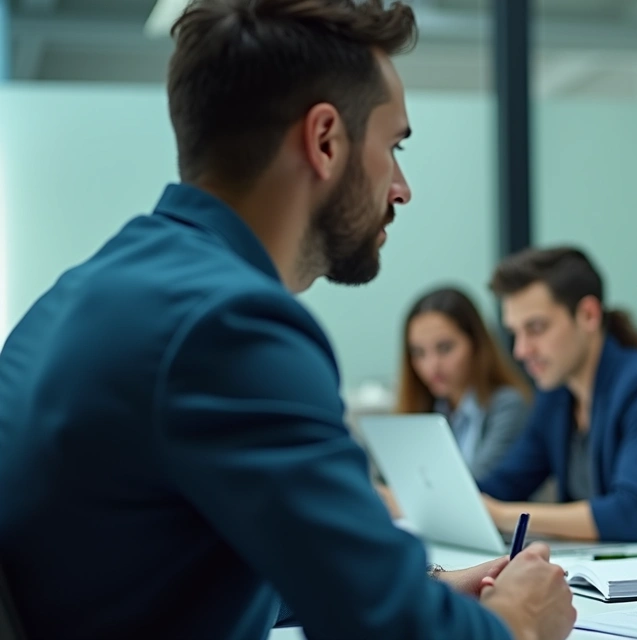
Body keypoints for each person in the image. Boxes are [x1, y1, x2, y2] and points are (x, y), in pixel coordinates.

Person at [0, 2, 574, 639]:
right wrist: (518, 619)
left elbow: (181, 573)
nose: (402, 187)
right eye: (393, 145)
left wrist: (412, 586)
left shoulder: (81, 295)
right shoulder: (230, 325)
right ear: (325, 140)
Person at [477, 247, 637, 544]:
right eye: (516, 332)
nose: (521, 350)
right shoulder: (558, 396)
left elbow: (632, 514)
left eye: (536, 328)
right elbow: (504, 484)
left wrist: (503, 515)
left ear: (588, 315)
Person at [373, 286, 531, 517]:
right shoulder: (426, 409)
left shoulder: (507, 406)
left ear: (476, 344)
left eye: (445, 348)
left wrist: (404, 501)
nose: (431, 366)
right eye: (418, 353)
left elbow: (474, 491)